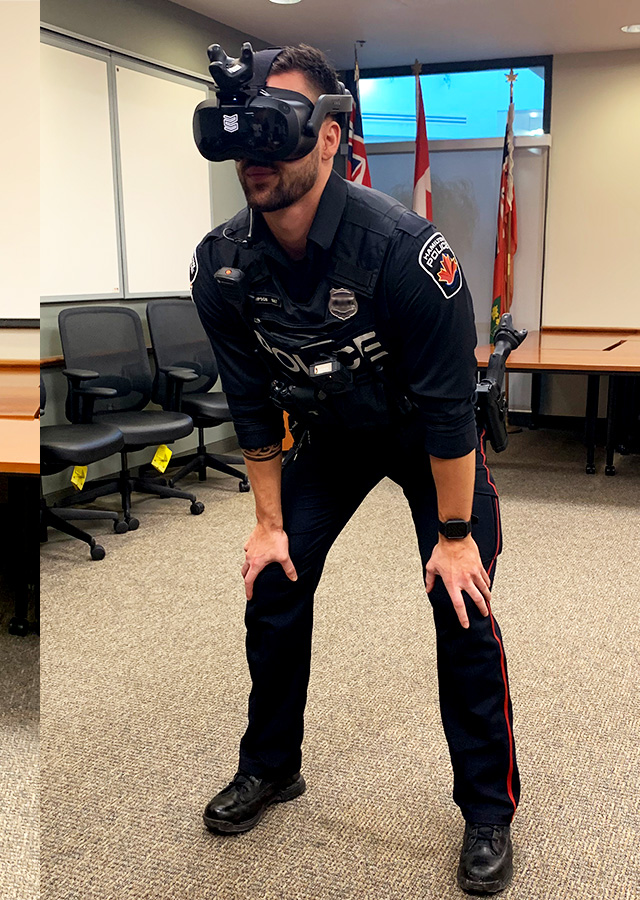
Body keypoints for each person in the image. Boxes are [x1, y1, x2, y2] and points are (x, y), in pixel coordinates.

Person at [190, 44, 518, 895]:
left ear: (330, 137)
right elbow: (251, 404)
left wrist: (455, 537)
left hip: (426, 438)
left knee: (462, 600)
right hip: (331, 434)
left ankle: (488, 808)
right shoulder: (223, 263)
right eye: (241, 131)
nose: (256, 152)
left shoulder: (405, 252)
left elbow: (450, 413)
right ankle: (272, 765)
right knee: (274, 578)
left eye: (277, 127)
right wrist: (268, 525)